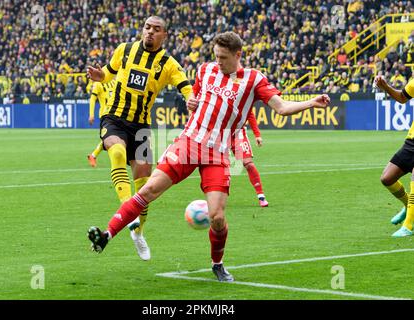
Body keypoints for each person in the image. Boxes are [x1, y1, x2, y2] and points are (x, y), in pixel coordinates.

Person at [87, 31, 330, 282]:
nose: (219, 62)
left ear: (238, 55)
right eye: (216, 56)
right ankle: (106, 236)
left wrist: (311, 102)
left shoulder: (254, 80)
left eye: (223, 58)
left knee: (217, 217)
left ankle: (217, 264)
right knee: (147, 191)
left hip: (218, 154)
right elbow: (195, 98)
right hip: (189, 144)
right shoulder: (205, 70)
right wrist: (192, 103)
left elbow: (282, 107)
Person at [86, 16, 193, 260]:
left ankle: (138, 232)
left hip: (141, 127)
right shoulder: (124, 50)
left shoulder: (167, 63)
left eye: (156, 30)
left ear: (164, 35)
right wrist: (98, 75)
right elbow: (108, 74)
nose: (150, 33)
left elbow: (186, 86)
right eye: (147, 28)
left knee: (145, 186)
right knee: (116, 151)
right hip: (113, 118)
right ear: (141, 29)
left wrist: (190, 98)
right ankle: (130, 216)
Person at [375, 75, 414, 237]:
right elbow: (402, 98)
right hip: (411, 141)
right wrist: (386, 87)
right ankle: (408, 206)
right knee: (387, 178)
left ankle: (409, 225)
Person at [231, 111, 268, 207]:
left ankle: (261, 196)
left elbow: (249, 113)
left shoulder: (242, 97)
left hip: (237, 133)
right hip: (218, 133)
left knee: (248, 164)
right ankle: (219, 195)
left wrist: (257, 135)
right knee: (217, 166)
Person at [87, 79, 115, 168]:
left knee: (113, 138)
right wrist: (91, 114)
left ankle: (93, 155)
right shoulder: (98, 84)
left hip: (116, 114)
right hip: (105, 115)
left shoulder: (114, 81)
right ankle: (93, 155)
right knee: (108, 138)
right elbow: (92, 99)